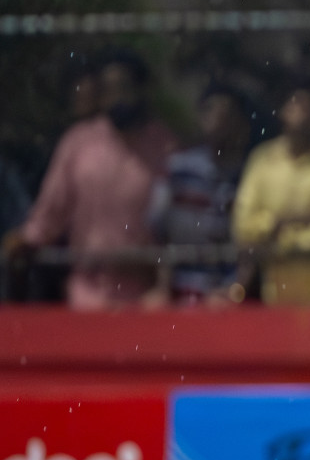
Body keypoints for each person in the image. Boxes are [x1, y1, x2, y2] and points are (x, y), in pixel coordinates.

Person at [3, 49, 178, 309]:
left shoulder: (164, 146)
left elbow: (176, 221)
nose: (117, 97)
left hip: (147, 295)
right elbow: (51, 211)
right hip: (87, 290)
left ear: (141, 90)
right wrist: (25, 240)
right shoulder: (79, 142)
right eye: (108, 89)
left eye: (124, 87)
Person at [232, 82, 310, 305]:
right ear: (282, 111)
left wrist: (282, 238)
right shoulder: (262, 159)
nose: (302, 112)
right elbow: (242, 227)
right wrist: (283, 222)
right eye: (296, 103)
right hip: (278, 297)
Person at [148, 81, 258, 304]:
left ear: (242, 124)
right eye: (209, 110)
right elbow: (161, 233)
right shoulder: (178, 170)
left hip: (228, 297)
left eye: (226, 113)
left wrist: (234, 292)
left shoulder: (252, 176)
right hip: (179, 292)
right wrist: (162, 288)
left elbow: (251, 244)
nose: (217, 119)